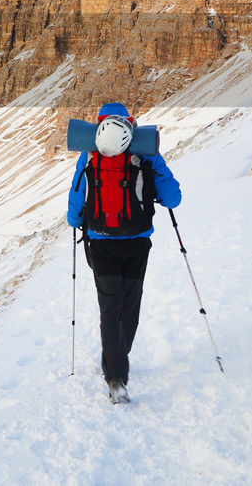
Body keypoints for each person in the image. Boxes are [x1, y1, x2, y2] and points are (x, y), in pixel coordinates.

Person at [67, 102, 181, 403]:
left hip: (101, 241)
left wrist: (77, 221)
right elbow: (173, 198)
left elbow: (77, 197)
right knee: (130, 303)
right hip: (137, 242)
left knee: (109, 306)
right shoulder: (145, 150)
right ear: (130, 122)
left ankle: (115, 375)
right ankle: (119, 352)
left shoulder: (90, 154)